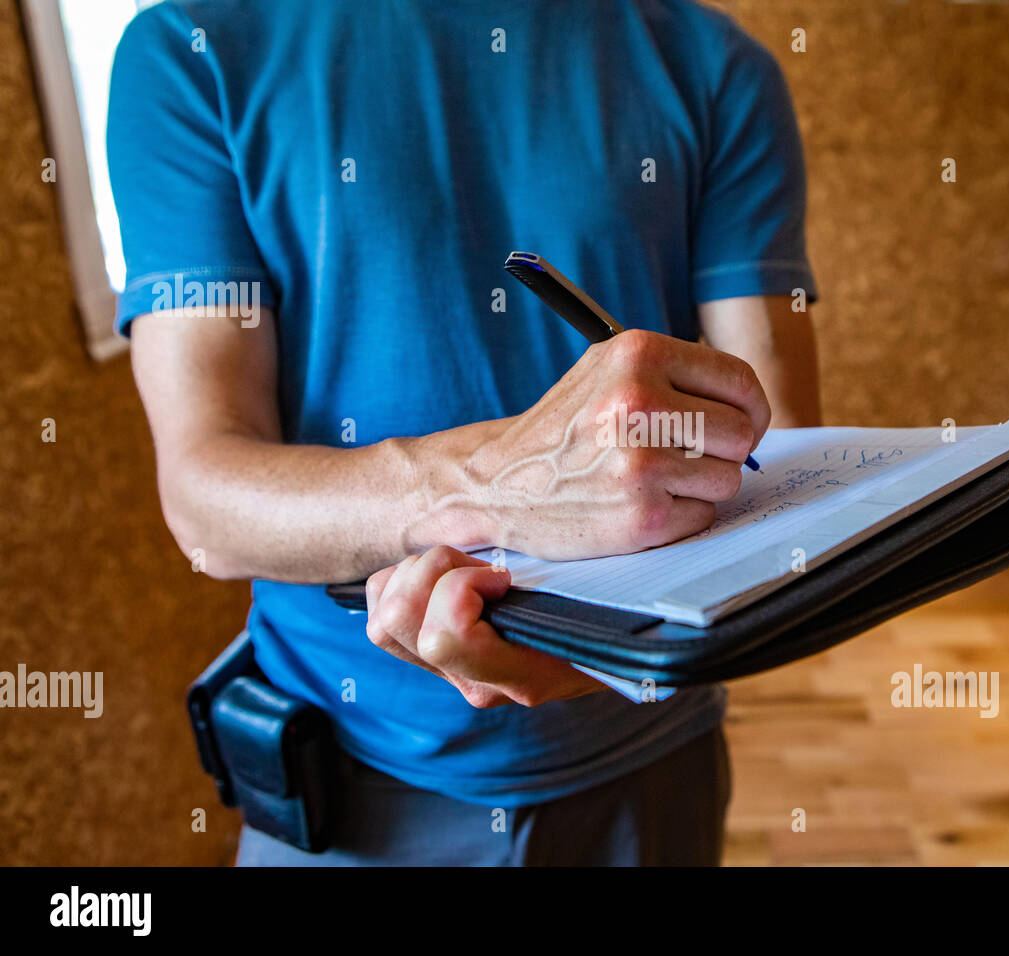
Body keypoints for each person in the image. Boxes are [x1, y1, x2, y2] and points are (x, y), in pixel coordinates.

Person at [107, 0, 819, 865]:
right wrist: (491, 486)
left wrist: (598, 650)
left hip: (646, 758)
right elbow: (203, 501)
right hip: (345, 788)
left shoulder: (716, 67)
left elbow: (781, 465)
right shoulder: (191, 51)